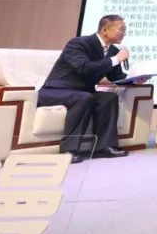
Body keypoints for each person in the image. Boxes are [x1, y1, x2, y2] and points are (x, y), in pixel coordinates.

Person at [37, 14, 131, 163]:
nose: (124, 33)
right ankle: (69, 150)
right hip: (56, 90)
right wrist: (115, 59)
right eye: (121, 29)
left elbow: (116, 77)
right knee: (84, 98)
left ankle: (104, 147)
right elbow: (83, 68)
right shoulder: (78, 43)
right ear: (104, 30)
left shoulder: (113, 51)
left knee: (108, 98)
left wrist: (136, 78)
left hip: (82, 92)